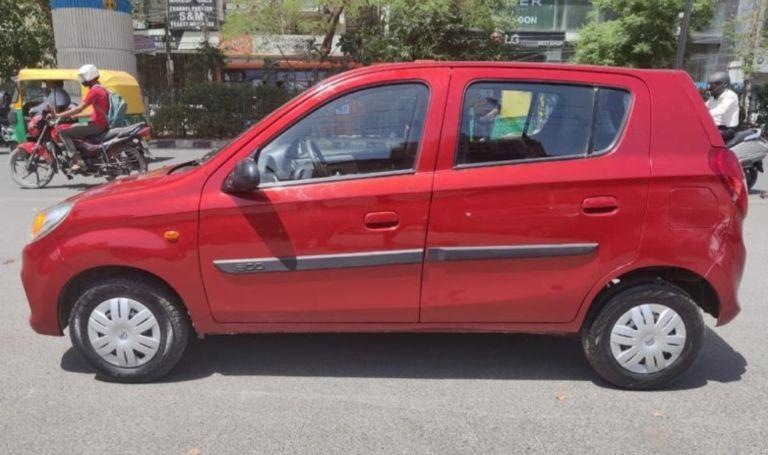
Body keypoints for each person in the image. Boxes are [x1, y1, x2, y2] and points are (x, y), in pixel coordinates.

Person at [55, 64, 109, 171]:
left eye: (83, 77)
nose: (82, 81)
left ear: (89, 76)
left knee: (63, 132)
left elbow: (80, 108)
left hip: (96, 126)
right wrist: (76, 116)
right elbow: (95, 111)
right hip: (100, 123)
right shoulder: (101, 88)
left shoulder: (94, 91)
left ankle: (77, 160)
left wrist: (58, 115)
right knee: (74, 126)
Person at [705, 71, 739, 142]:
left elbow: (721, 110)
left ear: (724, 84)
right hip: (715, 126)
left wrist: (703, 114)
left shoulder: (730, 95)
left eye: (716, 84)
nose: (712, 87)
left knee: (704, 135)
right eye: (711, 84)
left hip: (727, 129)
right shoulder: (714, 97)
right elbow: (704, 108)